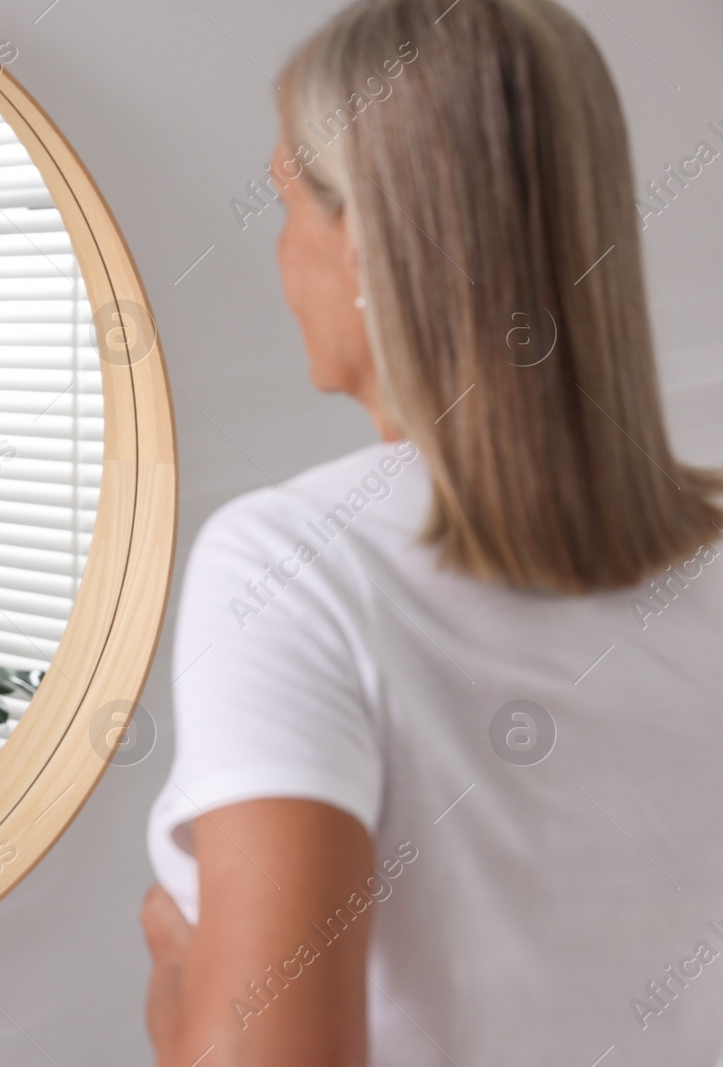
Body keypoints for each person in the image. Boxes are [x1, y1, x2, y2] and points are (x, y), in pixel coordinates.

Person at [140, 0, 723, 1062]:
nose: (281, 262)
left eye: (287, 207)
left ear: (363, 238)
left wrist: (177, 980)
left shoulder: (294, 563)